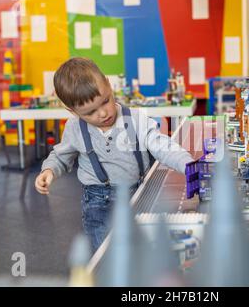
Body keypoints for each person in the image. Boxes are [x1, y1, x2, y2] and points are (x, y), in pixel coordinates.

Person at [35, 57, 194, 251]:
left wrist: (187, 164)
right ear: (73, 112)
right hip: (98, 206)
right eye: (90, 112)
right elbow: (61, 155)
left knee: (142, 248)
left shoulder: (136, 119)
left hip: (138, 194)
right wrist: (49, 170)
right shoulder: (74, 128)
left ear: (109, 86)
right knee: (106, 254)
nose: (103, 114)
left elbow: (163, 146)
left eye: (105, 101)